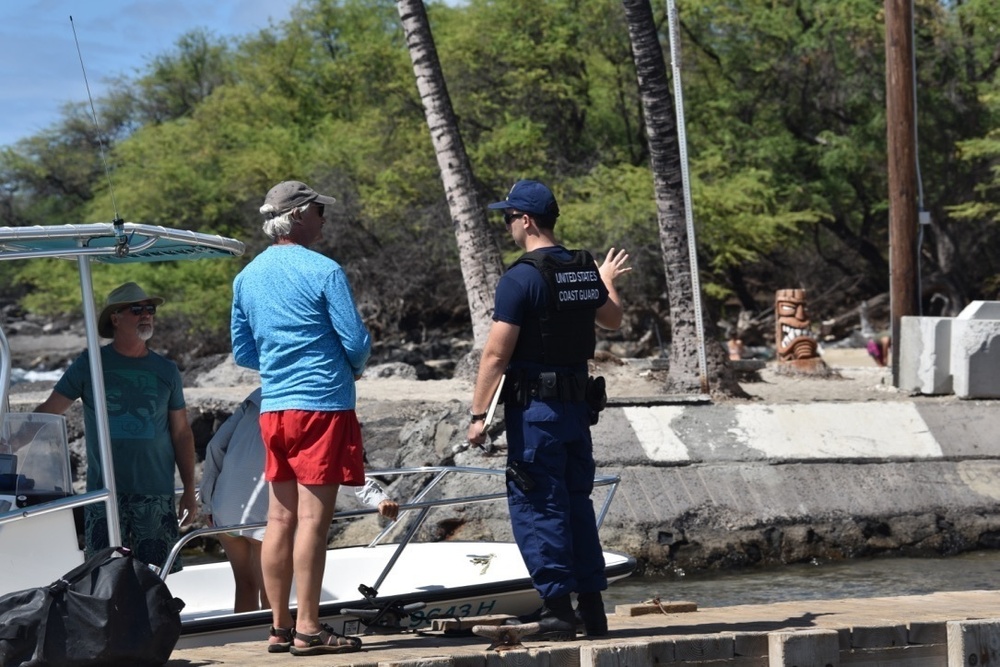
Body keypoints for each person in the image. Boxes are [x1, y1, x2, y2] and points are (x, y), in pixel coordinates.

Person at [466, 179, 631, 641]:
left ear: (527, 221)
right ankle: (592, 612)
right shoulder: (582, 270)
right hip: (578, 413)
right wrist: (606, 281)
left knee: (539, 507)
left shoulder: (521, 277)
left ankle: (558, 611)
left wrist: (478, 415)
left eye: (509, 217)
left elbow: (496, 356)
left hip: (537, 415)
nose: (508, 226)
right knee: (577, 505)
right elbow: (613, 319)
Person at [231, 180, 372, 655]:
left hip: (275, 409)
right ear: (297, 216)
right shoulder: (325, 270)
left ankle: (279, 627)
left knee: (279, 518)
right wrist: (347, 369)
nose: (323, 219)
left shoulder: (246, 276)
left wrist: (280, 363)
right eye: (318, 210)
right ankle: (310, 629)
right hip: (322, 406)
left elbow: (243, 350)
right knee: (313, 520)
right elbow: (355, 342)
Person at [33, 281, 198, 572]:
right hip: (105, 493)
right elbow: (50, 411)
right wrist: (11, 440)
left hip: (155, 493)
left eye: (150, 309)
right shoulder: (91, 364)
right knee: (104, 574)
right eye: (137, 309)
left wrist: (188, 489)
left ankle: (151, 620)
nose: (146, 315)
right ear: (116, 318)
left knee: (156, 577)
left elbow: (181, 433)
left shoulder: (166, 370)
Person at [200, 387, 399, 614]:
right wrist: (378, 498)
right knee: (271, 590)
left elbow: (214, 446)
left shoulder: (257, 397)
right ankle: (270, 637)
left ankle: (241, 640)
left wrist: (207, 502)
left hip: (225, 507)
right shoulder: (308, 407)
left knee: (245, 584)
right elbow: (328, 468)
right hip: (261, 513)